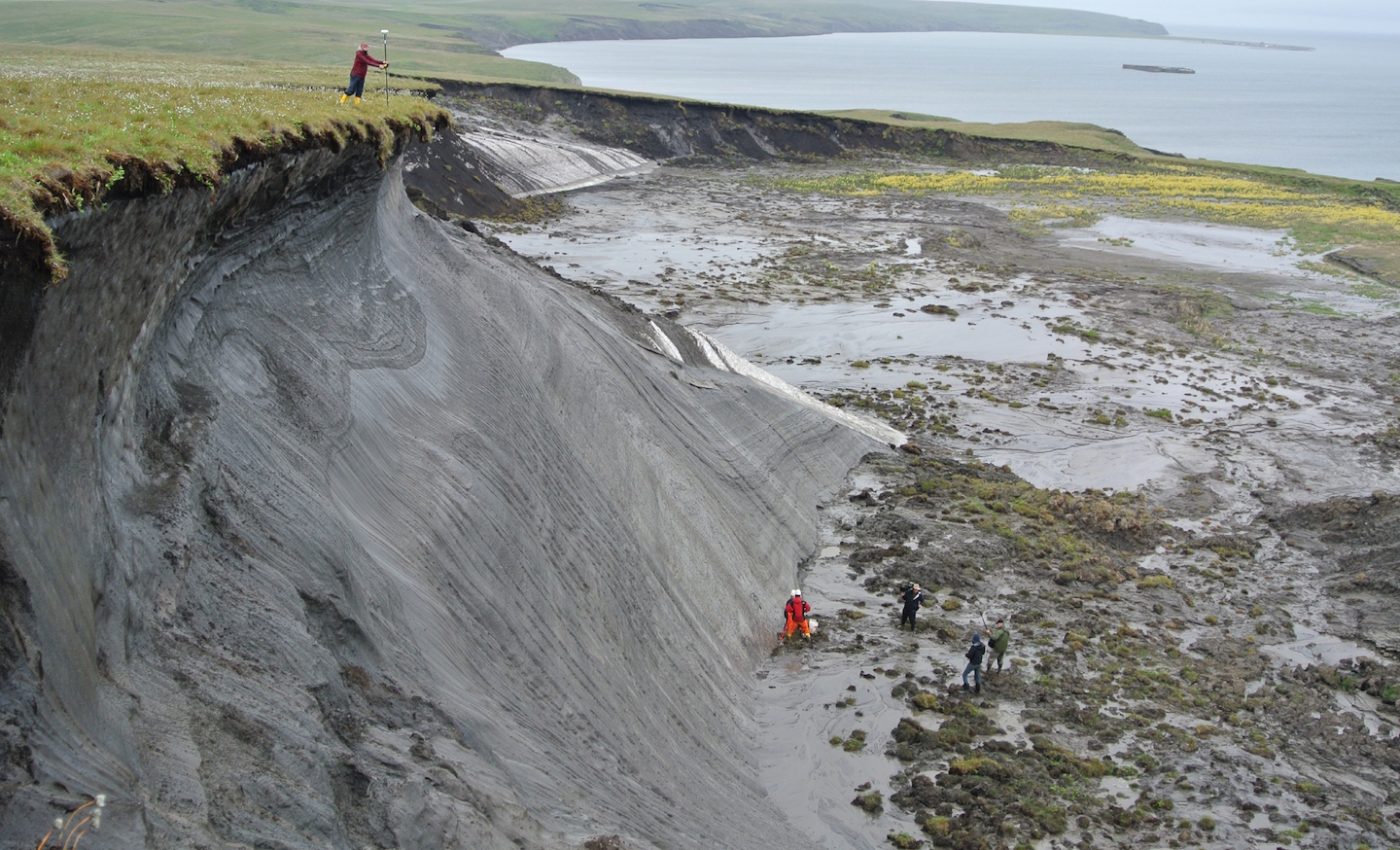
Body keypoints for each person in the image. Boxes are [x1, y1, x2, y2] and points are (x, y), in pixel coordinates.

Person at [339, 41, 388, 105]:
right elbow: (367, 61)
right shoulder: (359, 54)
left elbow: (372, 60)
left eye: (366, 48)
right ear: (361, 48)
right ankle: (341, 102)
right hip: (355, 75)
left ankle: (357, 105)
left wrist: (382, 62)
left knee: (359, 91)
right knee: (351, 90)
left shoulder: (365, 54)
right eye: (364, 48)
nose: (366, 49)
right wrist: (379, 66)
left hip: (362, 76)